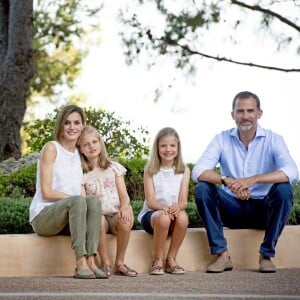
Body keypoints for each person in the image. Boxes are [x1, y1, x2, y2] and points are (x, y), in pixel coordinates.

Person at [192, 91, 299, 273]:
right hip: (232, 208)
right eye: (240, 111)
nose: (245, 116)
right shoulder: (222, 139)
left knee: (284, 189)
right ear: (233, 115)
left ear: (259, 113)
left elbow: (292, 172)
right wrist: (228, 181)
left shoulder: (274, 140)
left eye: (250, 110)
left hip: (263, 210)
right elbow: (198, 171)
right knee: (202, 188)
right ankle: (222, 255)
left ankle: (266, 254)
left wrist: (254, 179)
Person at [29, 105, 108, 279]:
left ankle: (91, 261)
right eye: (67, 123)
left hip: (70, 218)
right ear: (61, 126)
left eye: (76, 123)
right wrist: (76, 200)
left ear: (82, 126)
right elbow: (46, 192)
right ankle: (80, 263)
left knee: (93, 201)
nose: (72, 127)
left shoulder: (80, 155)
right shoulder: (52, 148)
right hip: (44, 216)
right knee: (79, 201)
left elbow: (84, 192)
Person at [78, 125, 138, 277]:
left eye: (94, 142)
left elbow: (124, 196)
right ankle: (105, 263)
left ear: (100, 143)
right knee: (98, 219)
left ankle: (120, 263)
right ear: (80, 149)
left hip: (115, 215)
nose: (91, 146)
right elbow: (83, 201)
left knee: (125, 219)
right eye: (86, 144)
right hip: (99, 218)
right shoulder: (81, 174)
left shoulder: (113, 168)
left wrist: (125, 207)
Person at [138, 127, 190, 275]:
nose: (168, 149)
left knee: (183, 217)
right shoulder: (150, 170)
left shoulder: (184, 170)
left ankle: (171, 258)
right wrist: (165, 209)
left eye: (172, 145)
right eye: (163, 146)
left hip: (172, 215)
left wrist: (177, 208)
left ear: (178, 147)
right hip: (152, 216)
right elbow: (150, 201)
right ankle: (158, 259)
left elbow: (183, 201)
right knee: (163, 217)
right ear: (157, 148)